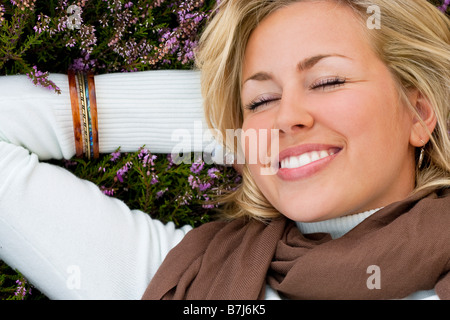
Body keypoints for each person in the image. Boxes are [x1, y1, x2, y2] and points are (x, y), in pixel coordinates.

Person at [0, 0, 449, 300]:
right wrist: (231, 122)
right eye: (260, 100)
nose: (286, 115)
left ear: (418, 112)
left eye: (327, 81)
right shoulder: (185, 281)